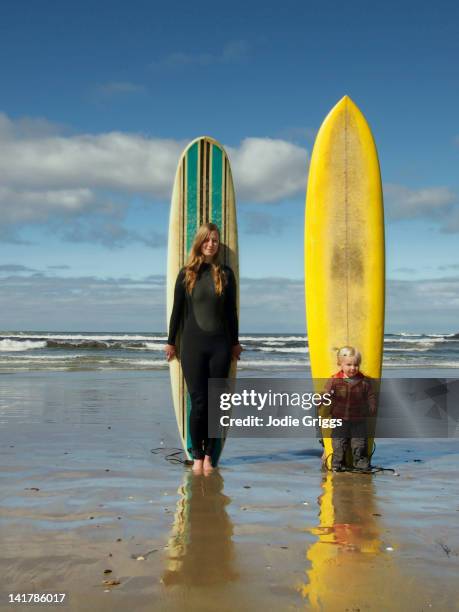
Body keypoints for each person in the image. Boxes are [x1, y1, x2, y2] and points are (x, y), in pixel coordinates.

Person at [165, 223, 242, 474]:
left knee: (216, 403)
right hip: (192, 346)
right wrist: (170, 341)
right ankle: (197, 456)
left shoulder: (226, 274)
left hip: (219, 346)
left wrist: (234, 343)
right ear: (199, 242)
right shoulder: (186, 273)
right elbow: (177, 311)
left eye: (215, 241)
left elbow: (231, 313)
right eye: (207, 240)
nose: (211, 244)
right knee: (199, 402)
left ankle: (209, 455)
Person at [324, 346, 376, 472]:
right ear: (340, 364)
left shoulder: (364, 381)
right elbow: (326, 393)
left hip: (359, 419)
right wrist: (322, 400)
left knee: (359, 444)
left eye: (356, 365)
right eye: (349, 364)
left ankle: (360, 465)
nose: (353, 368)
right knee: (338, 443)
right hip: (339, 418)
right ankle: (337, 464)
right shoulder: (334, 380)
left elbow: (370, 395)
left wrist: (372, 406)